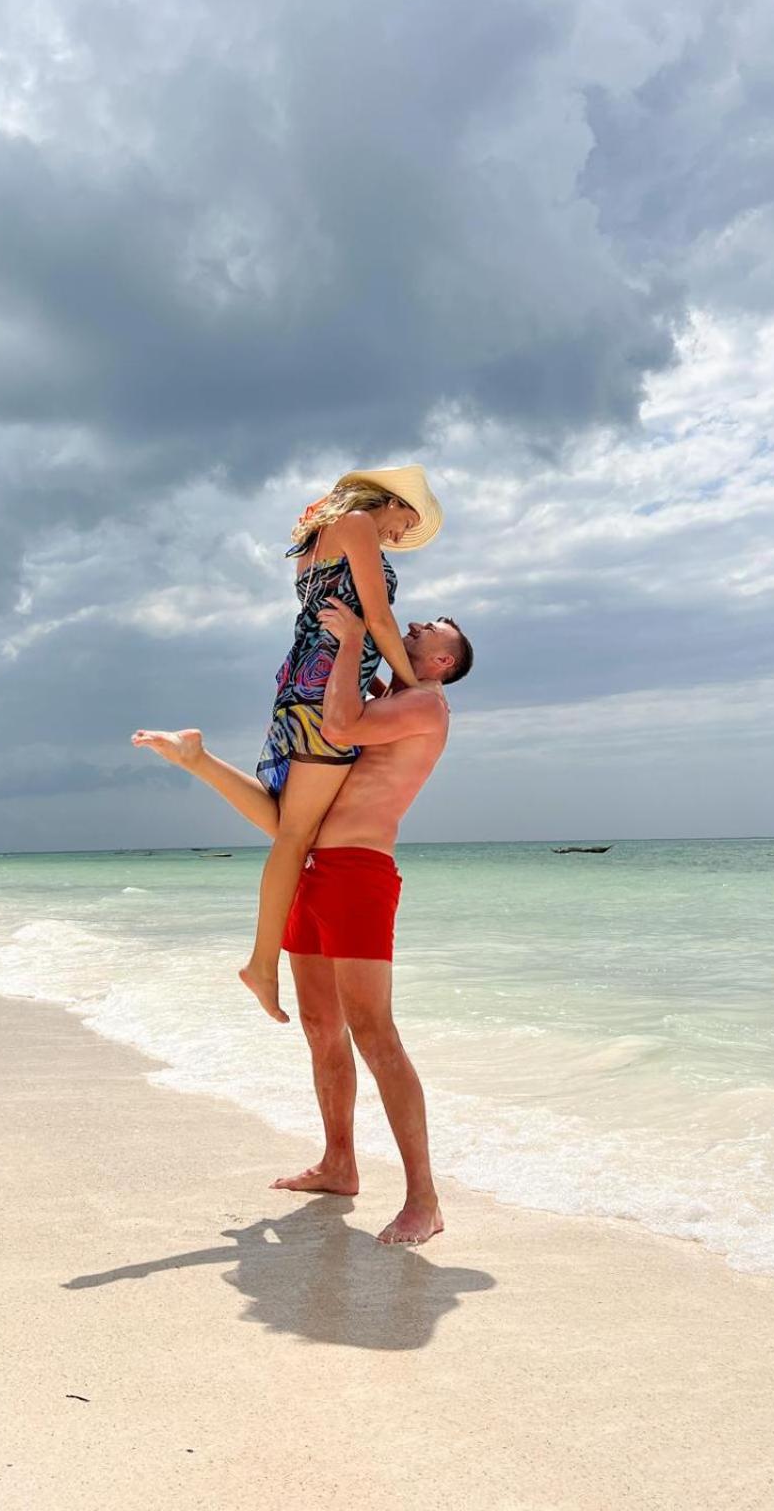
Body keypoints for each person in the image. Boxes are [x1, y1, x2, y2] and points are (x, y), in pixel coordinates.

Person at [131, 598, 473, 1245]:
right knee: (321, 1027)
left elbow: (340, 724)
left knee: (374, 1033)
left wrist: (351, 641)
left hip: (358, 873)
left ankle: (424, 1200)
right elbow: (330, 715)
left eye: (429, 630)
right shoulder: (393, 698)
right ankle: (339, 1163)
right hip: (313, 869)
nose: (414, 625)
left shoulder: (428, 705)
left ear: (442, 662)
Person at [238, 465, 444, 1025]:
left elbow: (337, 627)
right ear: (390, 500)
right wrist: (412, 686)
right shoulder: (355, 523)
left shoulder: (318, 540)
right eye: (408, 520)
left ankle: (196, 760)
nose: (403, 533)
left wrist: (378, 682)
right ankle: (261, 964)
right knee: (294, 836)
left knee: (292, 827)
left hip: (307, 687)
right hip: (319, 697)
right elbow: (378, 619)